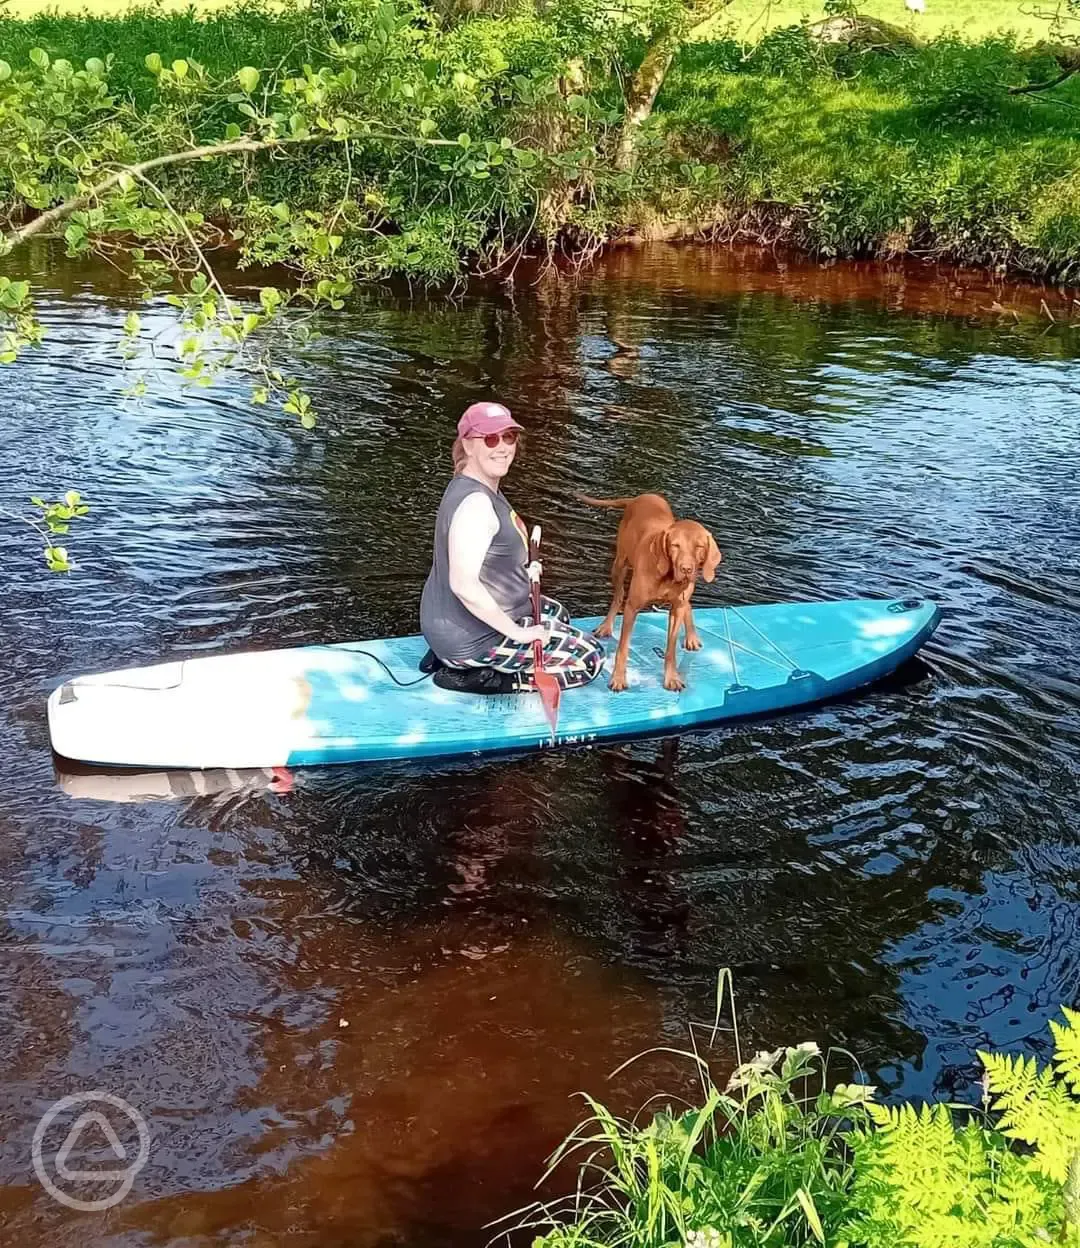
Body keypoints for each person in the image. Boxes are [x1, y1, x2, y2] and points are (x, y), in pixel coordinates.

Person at [420, 401, 604, 692]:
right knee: (590, 658)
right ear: (468, 445)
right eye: (491, 439)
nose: (504, 447)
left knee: (558, 615)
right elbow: (463, 585)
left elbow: (487, 556)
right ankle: (480, 676)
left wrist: (522, 566)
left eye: (510, 437)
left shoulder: (472, 483)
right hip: (474, 638)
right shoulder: (476, 505)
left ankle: (450, 657)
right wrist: (518, 633)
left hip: (458, 624)